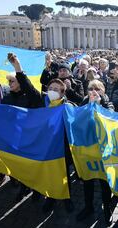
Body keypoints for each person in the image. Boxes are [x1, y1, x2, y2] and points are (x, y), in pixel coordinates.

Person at [2, 53, 44, 201]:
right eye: (8, 81)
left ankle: (37, 190)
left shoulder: (32, 96)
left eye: (12, 81)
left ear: (19, 82)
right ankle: (23, 187)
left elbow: (26, 84)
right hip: (15, 137)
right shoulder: (7, 97)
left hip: (32, 137)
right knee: (20, 166)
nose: (9, 84)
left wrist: (17, 67)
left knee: (33, 165)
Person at [76, 80, 113, 227]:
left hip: (103, 152)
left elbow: (110, 118)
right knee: (88, 181)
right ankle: (88, 207)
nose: (94, 91)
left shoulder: (107, 103)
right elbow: (77, 120)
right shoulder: (84, 102)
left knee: (105, 183)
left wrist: (98, 104)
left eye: (98, 88)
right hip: (87, 150)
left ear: (103, 90)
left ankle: (107, 208)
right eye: (91, 88)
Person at [41, 78, 76, 213]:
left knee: (64, 173)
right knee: (50, 172)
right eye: (50, 89)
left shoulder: (69, 106)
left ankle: (67, 198)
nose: (52, 92)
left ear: (62, 92)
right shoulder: (42, 103)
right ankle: (51, 198)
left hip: (64, 147)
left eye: (56, 90)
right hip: (48, 146)